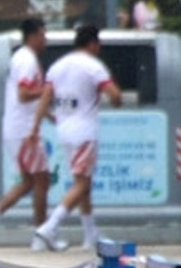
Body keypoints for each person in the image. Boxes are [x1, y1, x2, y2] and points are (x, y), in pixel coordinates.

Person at [31, 24, 122, 251]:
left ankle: (90, 234)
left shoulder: (58, 66)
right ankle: (50, 226)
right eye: (98, 45)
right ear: (92, 44)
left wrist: (35, 127)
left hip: (64, 131)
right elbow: (114, 95)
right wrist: (117, 100)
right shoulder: (93, 67)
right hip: (85, 132)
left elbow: (45, 99)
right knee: (82, 184)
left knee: (84, 182)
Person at [0, 17, 53, 248]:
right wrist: (47, 90)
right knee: (42, 179)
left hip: (17, 127)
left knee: (29, 181)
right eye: (43, 34)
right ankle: (41, 235)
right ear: (32, 36)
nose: (45, 39)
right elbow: (23, 94)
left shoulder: (21, 57)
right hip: (25, 130)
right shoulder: (27, 60)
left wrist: (48, 114)